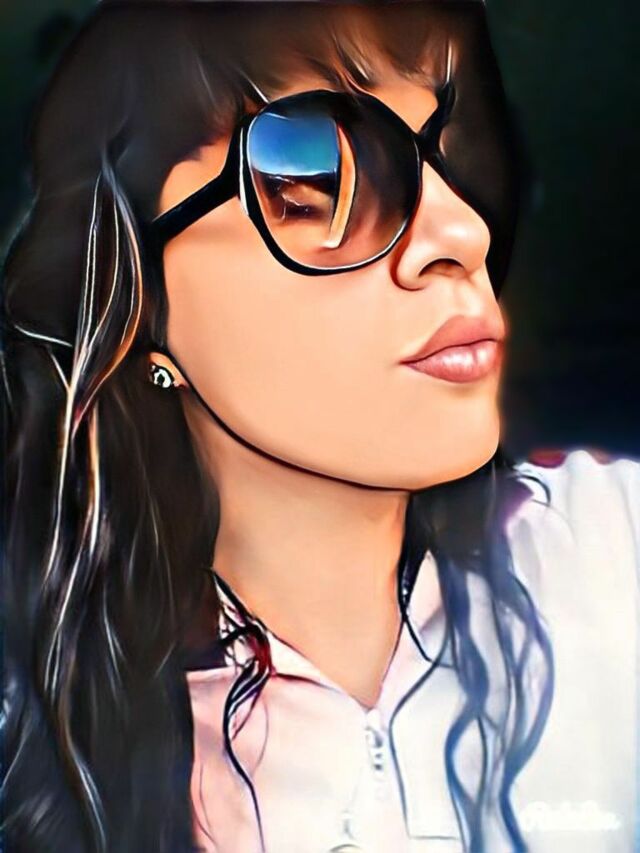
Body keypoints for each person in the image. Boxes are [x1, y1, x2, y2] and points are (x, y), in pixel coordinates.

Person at [1, 1, 638, 851]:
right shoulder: (48, 740)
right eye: (314, 177)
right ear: (138, 302)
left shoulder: (610, 549)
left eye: (449, 153)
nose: (460, 231)